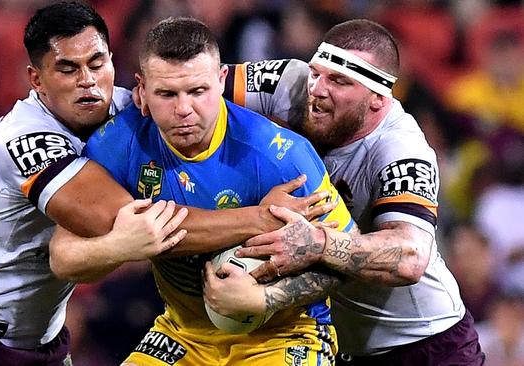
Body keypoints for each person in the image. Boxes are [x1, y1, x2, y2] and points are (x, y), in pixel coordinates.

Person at [0, 2, 305, 365]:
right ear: (36, 79)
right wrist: (261, 219)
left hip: (43, 339)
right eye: (67, 69)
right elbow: (130, 225)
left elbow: (287, 78)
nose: (88, 81)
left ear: (113, 60)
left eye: (97, 63)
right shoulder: (25, 140)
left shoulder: (140, 101)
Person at [59, 16, 355, 366]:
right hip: (183, 334)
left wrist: (267, 299)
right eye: (166, 94)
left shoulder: (281, 156)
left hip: (283, 335)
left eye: (197, 91)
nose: (183, 110)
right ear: (141, 89)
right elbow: (63, 254)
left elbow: (347, 259)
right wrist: (120, 245)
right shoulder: (120, 143)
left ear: (221, 79)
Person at [205, 19, 485, 365]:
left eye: (339, 81)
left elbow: (410, 257)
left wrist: (318, 244)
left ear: (377, 100)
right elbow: (199, 82)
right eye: (316, 73)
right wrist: (126, 96)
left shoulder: (400, 150)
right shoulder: (292, 82)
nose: (318, 89)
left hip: (425, 345)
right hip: (341, 346)